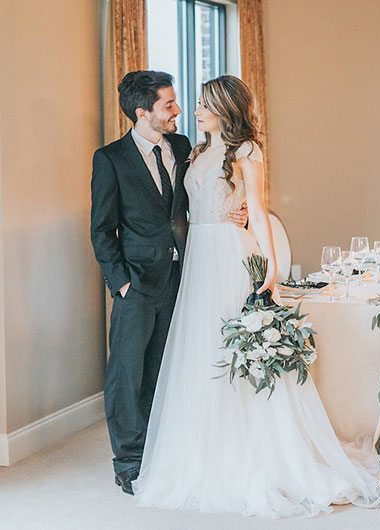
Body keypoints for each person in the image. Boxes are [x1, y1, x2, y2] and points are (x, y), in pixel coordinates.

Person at [132, 75, 380, 518]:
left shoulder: (245, 151)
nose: (195, 111)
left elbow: (260, 212)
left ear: (225, 108)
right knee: (201, 353)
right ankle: (203, 452)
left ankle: (259, 456)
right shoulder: (193, 150)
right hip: (199, 262)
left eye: (204, 105)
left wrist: (271, 269)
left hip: (230, 255)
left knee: (236, 353)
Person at [89, 71, 246, 495]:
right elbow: (102, 230)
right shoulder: (111, 159)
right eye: (169, 105)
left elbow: (217, 193)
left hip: (188, 276)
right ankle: (130, 461)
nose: (178, 111)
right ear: (144, 113)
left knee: (167, 369)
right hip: (136, 283)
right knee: (127, 374)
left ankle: (162, 450)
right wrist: (120, 283)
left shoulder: (184, 148)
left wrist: (240, 213)